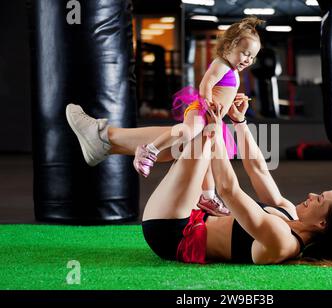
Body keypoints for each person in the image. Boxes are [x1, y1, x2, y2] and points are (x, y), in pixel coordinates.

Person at [66, 95, 332, 266]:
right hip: (194, 214)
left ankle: (104, 139)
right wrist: (238, 122)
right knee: (195, 129)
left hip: (172, 233)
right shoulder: (290, 215)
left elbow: (229, 190)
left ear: (323, 224)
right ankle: (104, 141)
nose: (312, 194)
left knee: (199, 129)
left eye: (320, 199)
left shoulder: (283, 241)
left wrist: (216, 131)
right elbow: (257, 169)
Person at [66, 16, 264, 216]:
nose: (248, 59)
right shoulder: (221, 63)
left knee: (204, 155)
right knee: (186, 133)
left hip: (213, 116)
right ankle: (148, 150)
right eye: (245, 53)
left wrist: (229, 99)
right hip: (204, 110)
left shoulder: (232, 70)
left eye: (252, 57)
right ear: (229, 47)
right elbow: (206, 85)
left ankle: (208, 195)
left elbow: (222, 88)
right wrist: (208, 102)